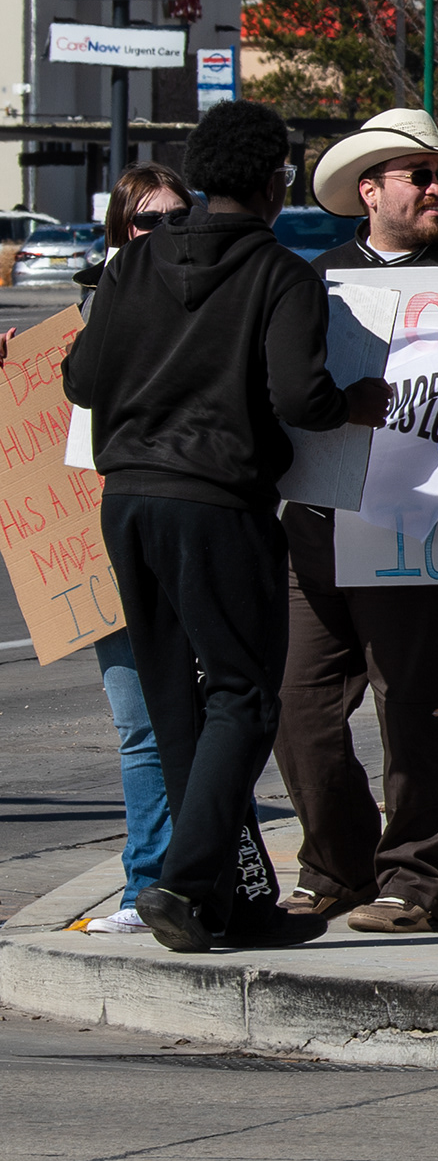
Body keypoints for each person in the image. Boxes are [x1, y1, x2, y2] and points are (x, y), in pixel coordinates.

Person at [64, 101, 351, 953]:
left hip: (128, 502)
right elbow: (301, 399)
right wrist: (352, 405)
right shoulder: (282, 275)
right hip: (217, 503)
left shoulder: (128, 267)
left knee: (174, 701)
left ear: (194, 181)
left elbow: (81, 381)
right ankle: (186, 884)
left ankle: (230, 901)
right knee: (243, 696)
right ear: (275, 185)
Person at [273, 107, 438, 934]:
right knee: (299, 707)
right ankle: (335, 863)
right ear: (370, 191)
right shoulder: (312, 281)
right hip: (320, 521)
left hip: (427, 529)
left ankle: (418, 882)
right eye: (421, 175)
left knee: (419, 708)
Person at [77, 163, 190, 935]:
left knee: (221, 717)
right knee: (142, 726)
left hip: (200, 535)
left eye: (179, 218)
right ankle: (143, 885)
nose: (163, 234)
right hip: (111, 543)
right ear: (121, 234)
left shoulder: (214, 301)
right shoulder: (86, 321)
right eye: (148, 222)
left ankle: (211, 869)